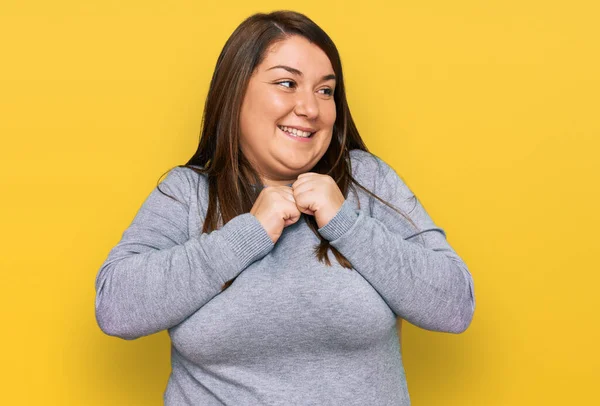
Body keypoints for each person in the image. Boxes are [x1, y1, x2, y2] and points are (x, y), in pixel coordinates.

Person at [94, 10, 475, 406]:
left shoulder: (367, 181)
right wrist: (247, 235)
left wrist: (346, 223)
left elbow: (454, 305)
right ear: (236, 91)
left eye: (325, 91)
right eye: (287, 83)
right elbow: (116, 308)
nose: (310, 108)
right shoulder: (188, 194)